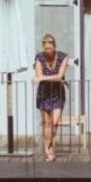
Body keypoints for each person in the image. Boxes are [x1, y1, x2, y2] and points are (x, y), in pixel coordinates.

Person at [33, 33, 69, 162]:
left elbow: (59, 76)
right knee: (47, 123)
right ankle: (49, 151)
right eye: (46, 49)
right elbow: (39, 73)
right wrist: (44, 78)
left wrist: (43, 78)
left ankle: (49, 146)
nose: (48, 51)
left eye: (50, 48)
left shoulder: (63, 57)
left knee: (55, 122)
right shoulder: (39, 57)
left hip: (58, 93)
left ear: (55, 46)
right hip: (44, 93)